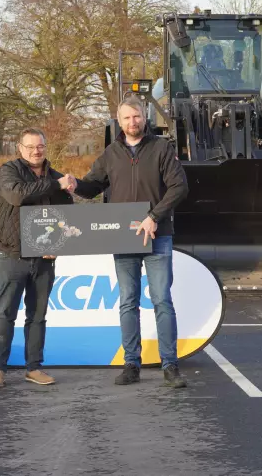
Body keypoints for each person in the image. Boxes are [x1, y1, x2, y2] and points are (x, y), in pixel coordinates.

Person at [69, 96, 189, 388]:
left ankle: (170, 365)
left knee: (162, 300)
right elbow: (93, 186)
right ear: (119, 121)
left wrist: (154, 216)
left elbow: (179, 187)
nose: (132, 122)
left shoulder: (161, 149)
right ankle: (131, 364)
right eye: (126, 118)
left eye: (136, 116)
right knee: (128, 302)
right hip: (123, 237)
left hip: (157, 235)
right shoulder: (111, 153)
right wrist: (75, 184)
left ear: (144, 117)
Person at [0, 127, 76, 388]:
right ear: (20, 149)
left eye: (40, 146)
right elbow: (18, 195)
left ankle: (34, 368)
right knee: (5, 313)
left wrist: (58, 244)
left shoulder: (56, 177)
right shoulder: (8, 171)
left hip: (44, 258)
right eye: (30, 147)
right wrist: (56, 184)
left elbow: (66, 216)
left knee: (37, 316)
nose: (36, 151)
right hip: (12, 256)